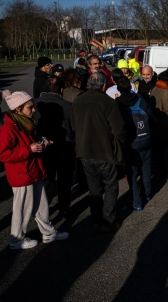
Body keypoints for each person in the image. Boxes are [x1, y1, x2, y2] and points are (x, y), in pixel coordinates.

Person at [0, 90, 69, 250]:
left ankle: (49, 233)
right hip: (22, 174)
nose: (34, 110)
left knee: (41, 205)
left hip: (32, 171)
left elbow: (26, 144)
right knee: (22, 209)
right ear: (18, 109)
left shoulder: (22, 122)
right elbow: (3, 154)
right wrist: (29, 149)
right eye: (30, 107)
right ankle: (16, 240)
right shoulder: (9, 128)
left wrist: (40, 144)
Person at [71, 72, 126, 231]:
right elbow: (119, 129)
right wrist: (120, 144)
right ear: (103, 85)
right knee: (110, 186)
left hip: (84, 151)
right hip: (104, 152)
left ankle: (96, 219)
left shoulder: (77, 101)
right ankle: (107, 220)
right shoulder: (108, 102)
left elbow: (74, 127)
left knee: (94, 188)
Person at [34, 77, 75, 218]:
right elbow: (74, 128)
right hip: (65, 147)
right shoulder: (68, 106)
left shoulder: (34, 104)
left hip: (43, 149)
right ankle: (64, 207)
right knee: (65, 180)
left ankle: (43, 208)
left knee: (47, 179)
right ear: (61, 90)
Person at [115, 76, 154, 210]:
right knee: (146, 169)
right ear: (131, 87)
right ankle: (147, 194)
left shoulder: (118, 104)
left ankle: (137, 202)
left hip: (130, 144)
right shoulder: (141, 100)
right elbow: (152, 118)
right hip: (146, 140)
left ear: (118, 88)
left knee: (132, 173)